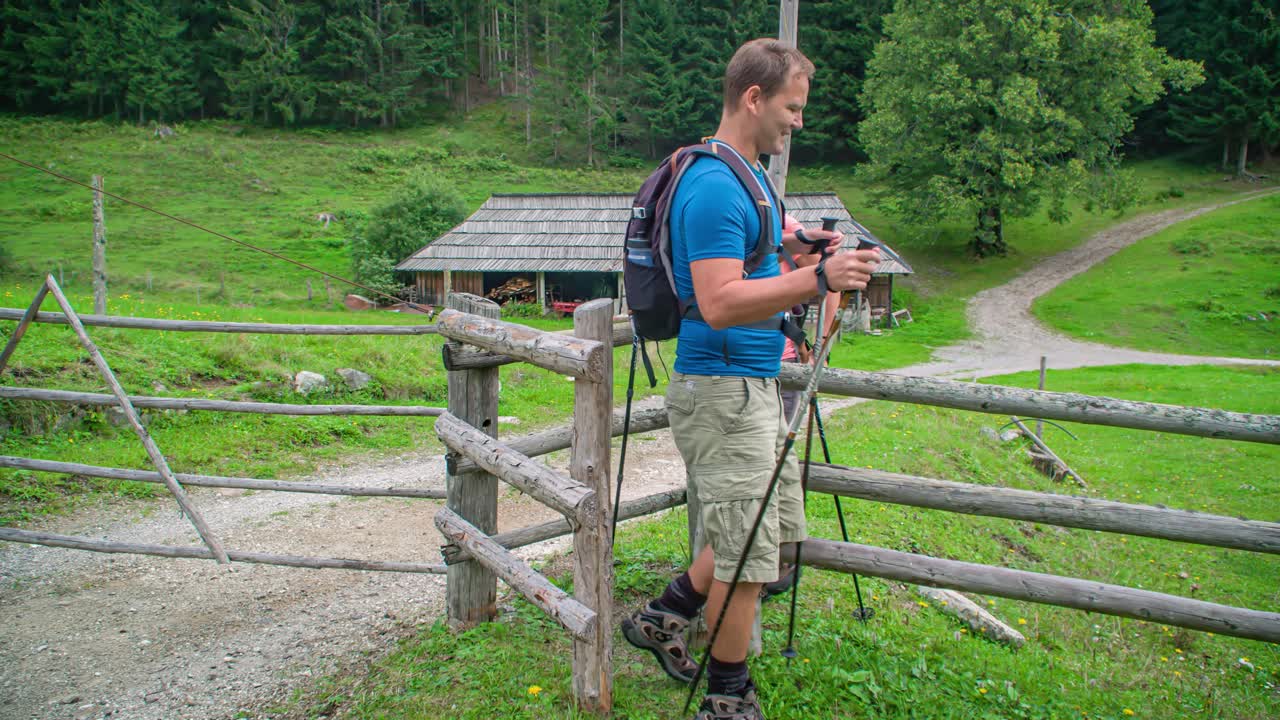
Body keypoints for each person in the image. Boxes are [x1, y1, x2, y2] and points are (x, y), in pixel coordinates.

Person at [620, 38, 881, 720]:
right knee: (745, 556)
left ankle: (664, 615)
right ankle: (728, 699)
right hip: (723, 390)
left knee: (762, 531)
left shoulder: (750, 176)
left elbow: (766, 242)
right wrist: (818, 278)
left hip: (752, 386)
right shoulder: (712, 186)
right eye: (791, 108)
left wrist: (804, 247)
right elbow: (718, 300)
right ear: (754, 98)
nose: (798, 122)